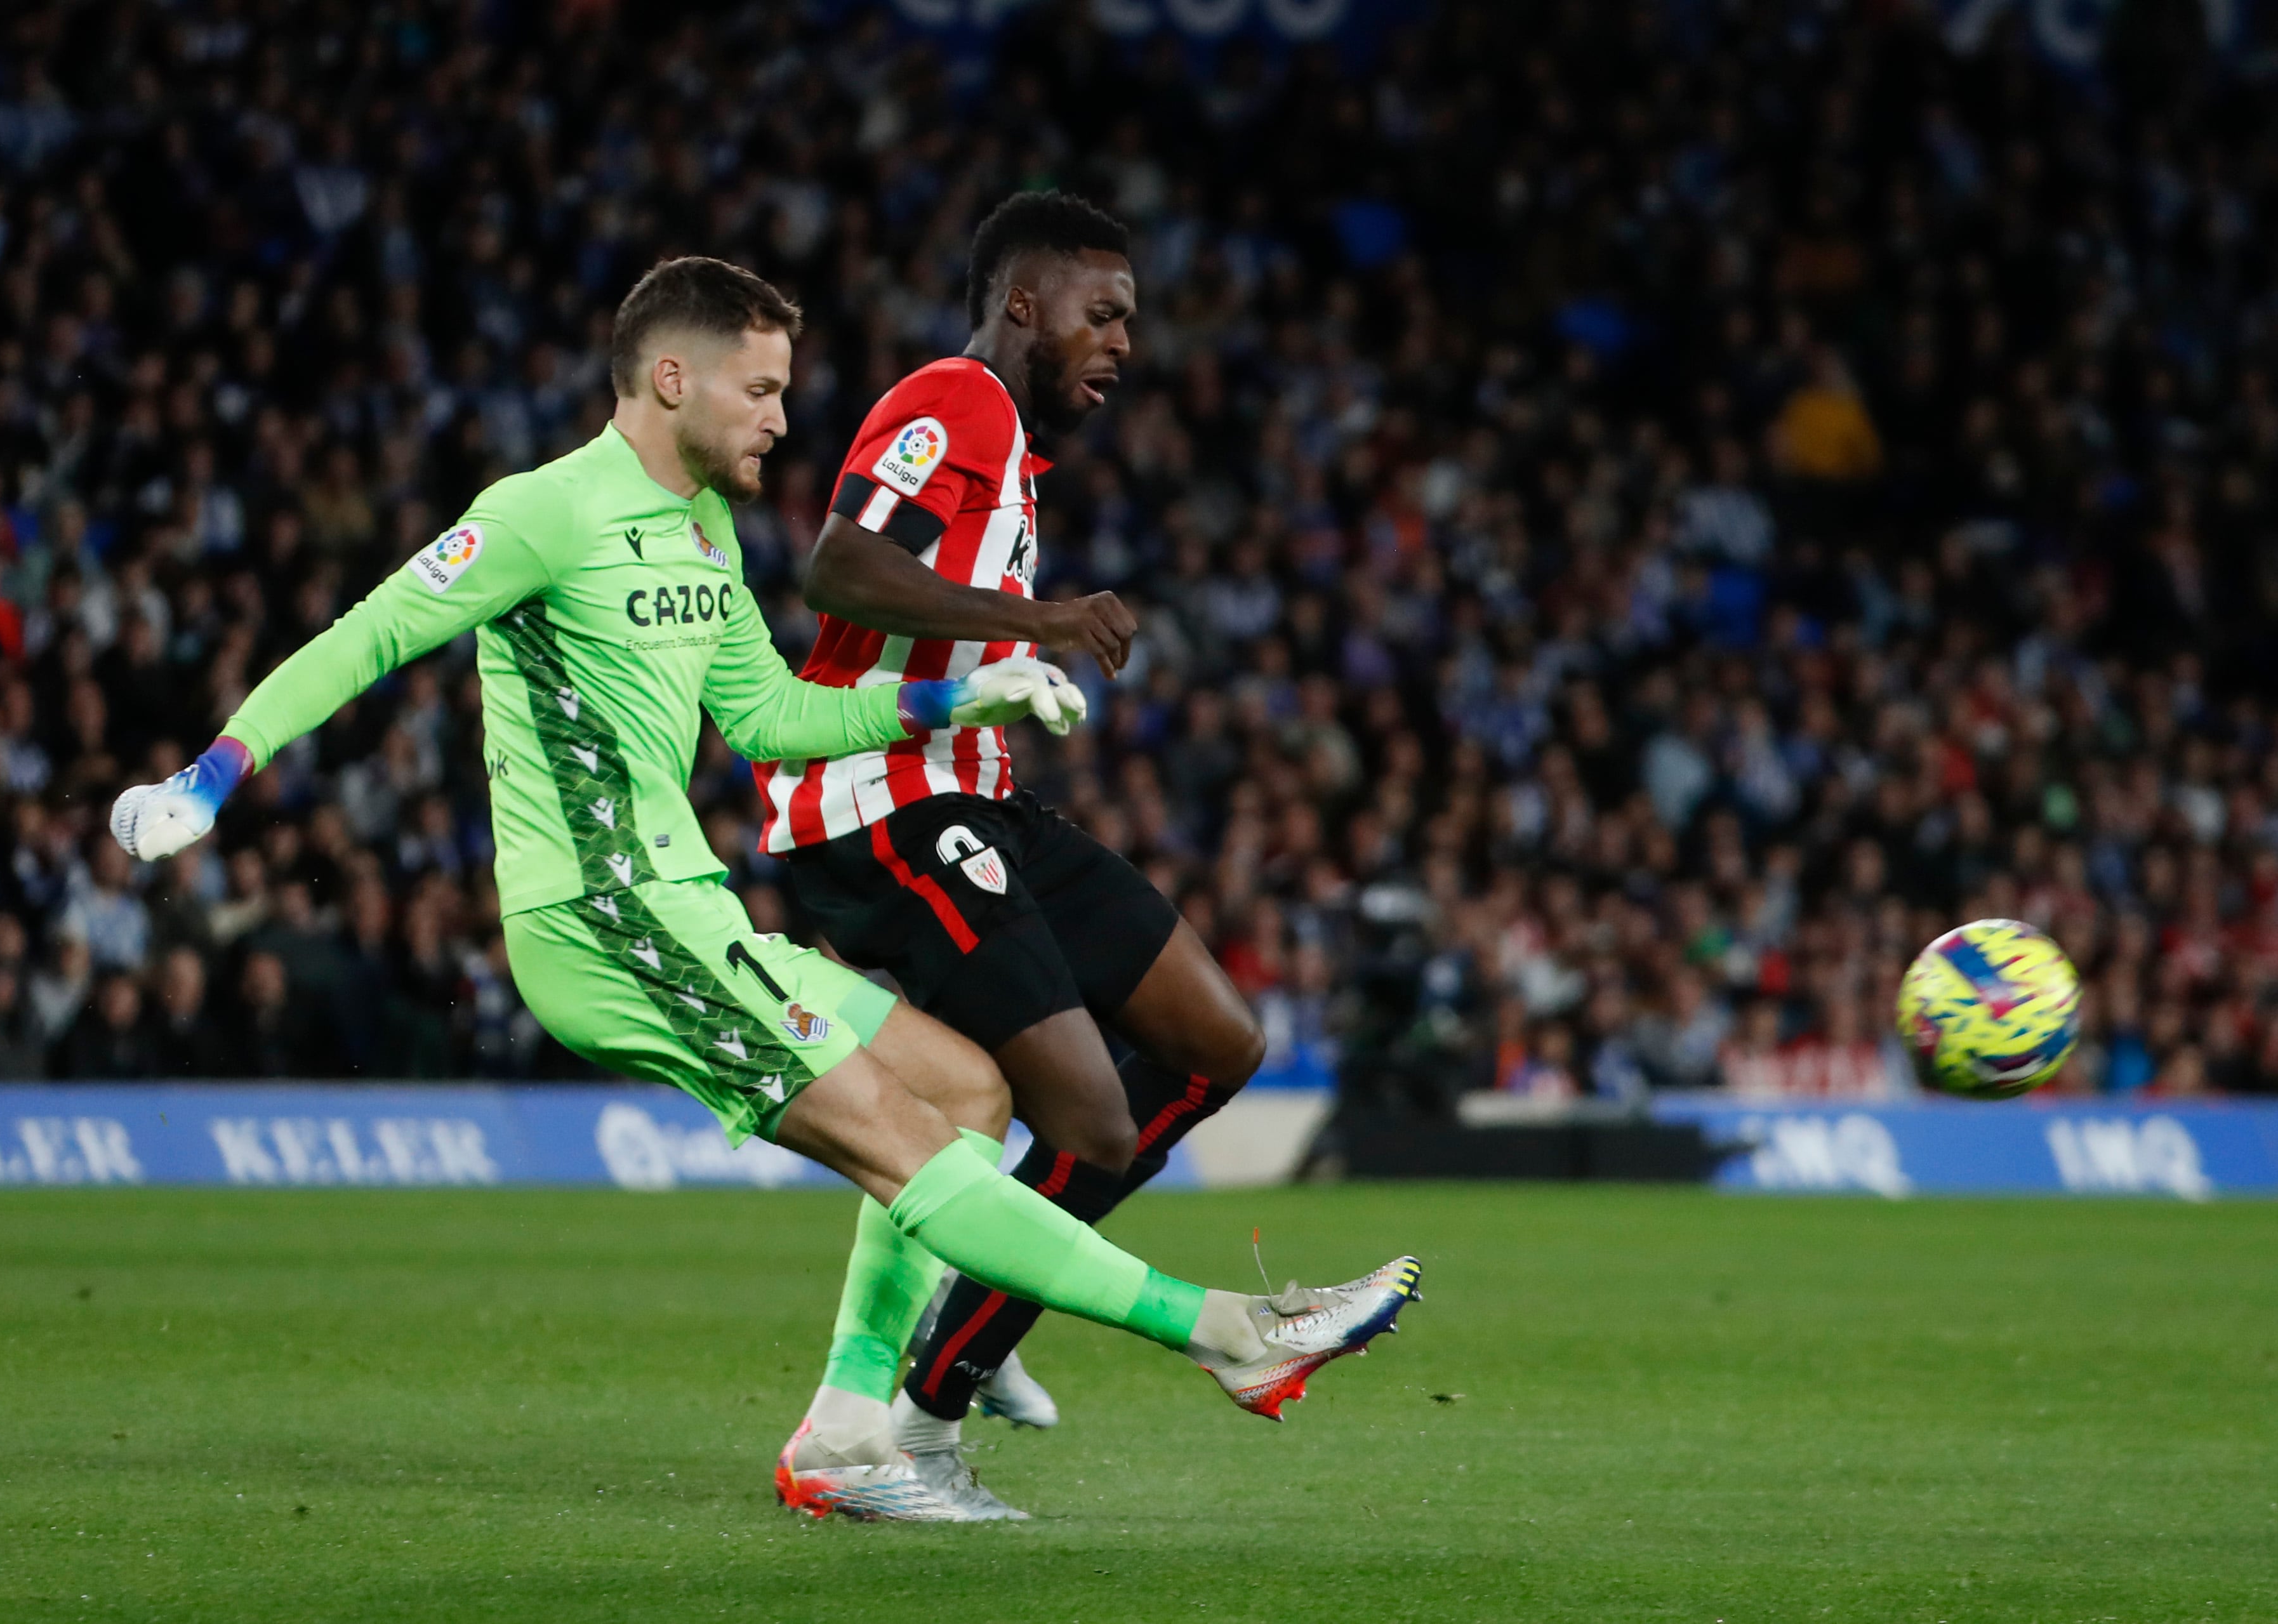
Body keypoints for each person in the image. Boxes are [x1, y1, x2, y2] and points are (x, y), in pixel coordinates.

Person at [109, 255, 1418, 1522]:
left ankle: (852, 1430)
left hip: (694, 907)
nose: (786, 420)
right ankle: (1230, 1331)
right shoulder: (541, 512)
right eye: (762, 391)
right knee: (905, 1146)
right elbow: (373, 631)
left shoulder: (704, 532)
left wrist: (962, 691)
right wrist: (212, 777)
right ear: (669, 378)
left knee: (967, 1086)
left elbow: (772, 712)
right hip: (606, 918)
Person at [752, 192, 1280, 1518]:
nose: (1121, 343)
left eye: (1131, 322)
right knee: (1085, 1120)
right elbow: (837, 564)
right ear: (1023, 301)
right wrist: (1037, 618)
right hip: (880, 802)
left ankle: (965, 1333)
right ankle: (934, 1388)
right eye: (1102, 314)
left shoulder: (1017, 456)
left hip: (975, 799)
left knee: (1218, 1040)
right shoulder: (954, 397)